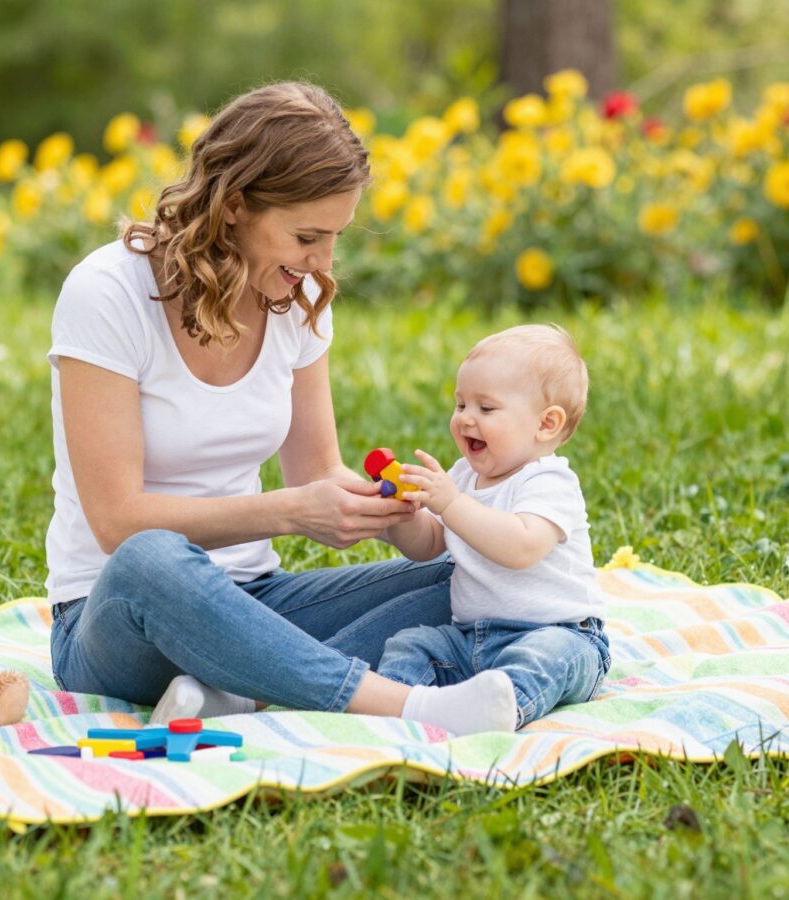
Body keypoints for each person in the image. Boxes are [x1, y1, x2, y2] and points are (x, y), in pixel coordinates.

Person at [46, 81, 518, 735]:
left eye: (334, 238)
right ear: (235, 205)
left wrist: (383, 507)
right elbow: (116, 523)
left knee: (464, 573)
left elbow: (316, 473)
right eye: (306, 236)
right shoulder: (108, 293)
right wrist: (291, 514)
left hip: (258, 601)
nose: (323, 262)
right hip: (118, 615)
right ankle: (409, 707)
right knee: (152, 556)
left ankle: (243, 688)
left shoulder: (296, 299)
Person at [375, 325, 611, 732]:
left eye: (486, 409)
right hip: (472, 640)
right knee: (411, 644)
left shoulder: (549, 481)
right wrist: (403, 518)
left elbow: (520, 547)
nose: (466, 418)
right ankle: (396, 710)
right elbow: (431, 543)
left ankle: (497, 711)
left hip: (561, 633)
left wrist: (450, 503)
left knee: (545, 658)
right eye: (460, 403)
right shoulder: (463, 477)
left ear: (546, 424)